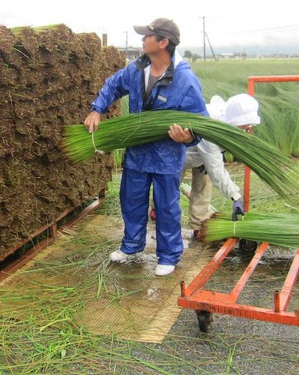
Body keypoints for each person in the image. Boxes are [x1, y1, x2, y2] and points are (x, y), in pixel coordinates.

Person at [84, 18, 208, 276]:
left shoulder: (184, 79)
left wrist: (188, 138)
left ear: (163, 42)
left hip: (166, 155)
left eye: (147, 36)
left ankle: (169, 255)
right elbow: (113, 85)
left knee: (165, 206)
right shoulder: (137, 69)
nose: (142, 40)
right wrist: (97, 109)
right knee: (131, 199)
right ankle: (131, 245)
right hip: (138, 152)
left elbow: (200, 120)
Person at [183, 93, 261, 238]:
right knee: (169, 187)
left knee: (203, 187)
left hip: (204, 155)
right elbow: (217, 171)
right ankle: (160, 215)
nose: (247, 127)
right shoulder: (212, 127)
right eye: (244, 124)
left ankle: (198, 226)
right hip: (182, 153)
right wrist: (235, 196)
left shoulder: (230, 119)